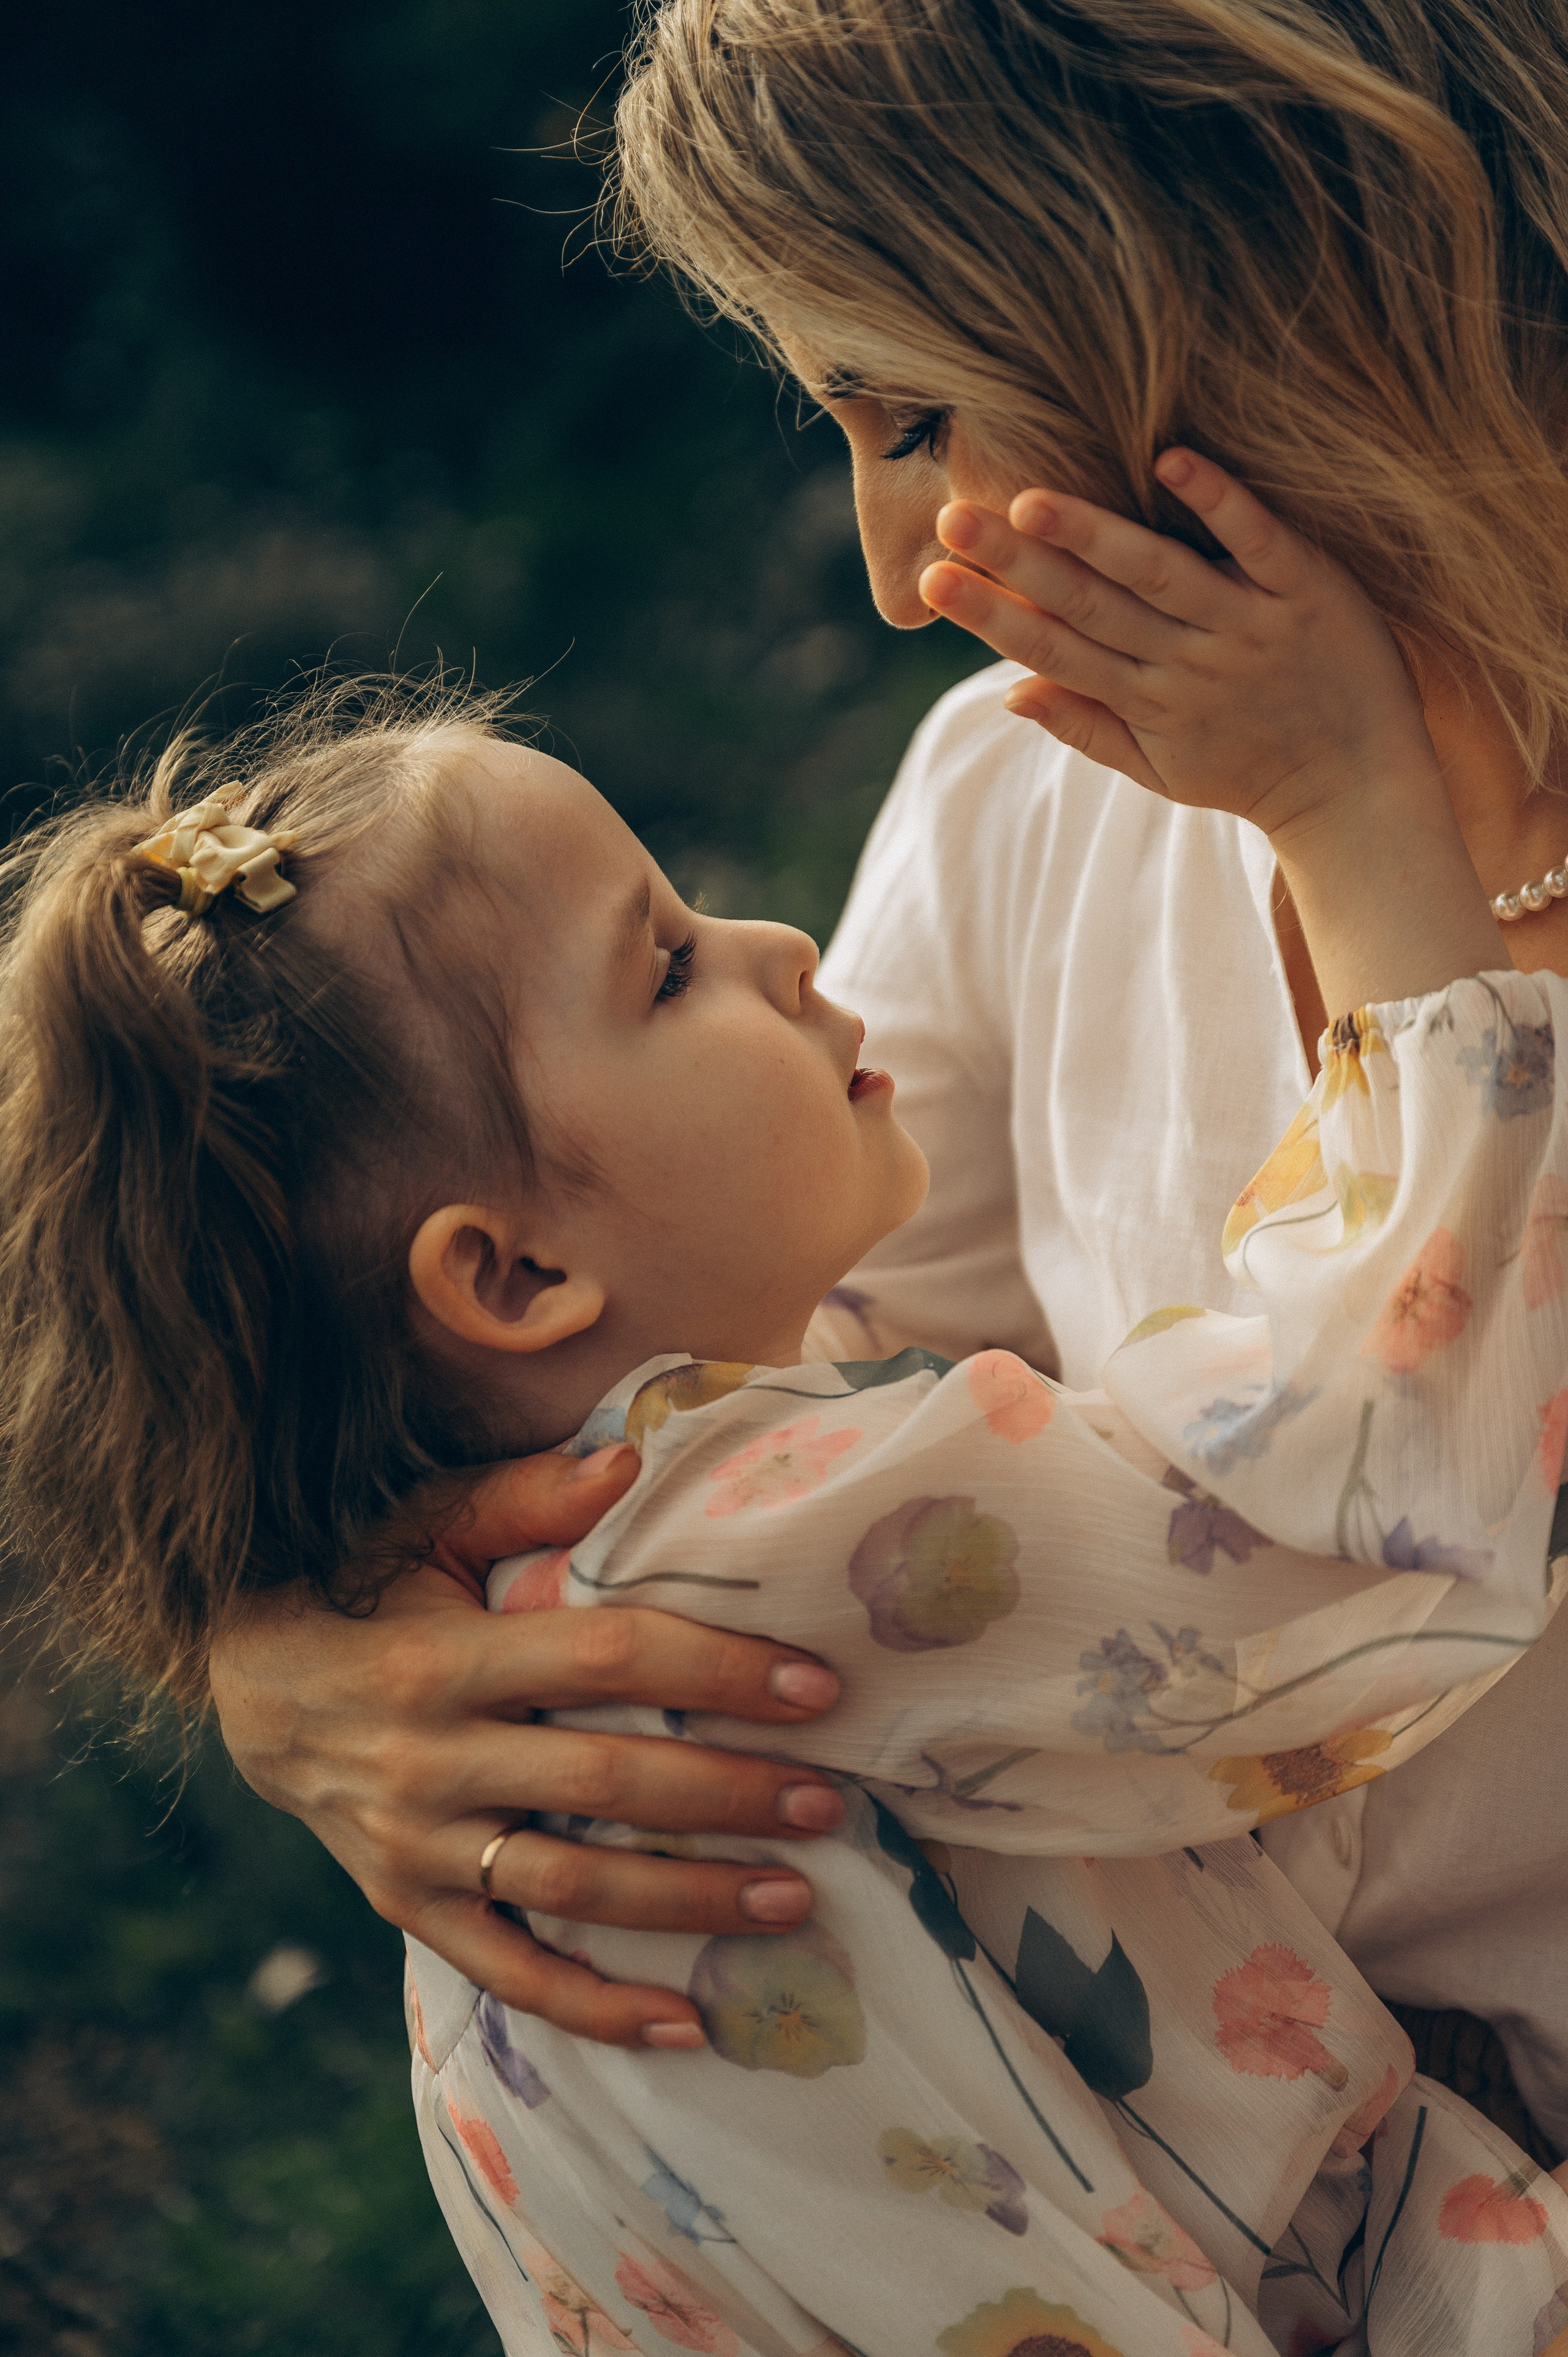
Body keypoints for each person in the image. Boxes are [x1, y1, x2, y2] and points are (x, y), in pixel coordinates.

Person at [206, 0, 1568, 2209]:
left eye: (912, 411)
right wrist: (316, 1639)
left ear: (1224, 280)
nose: (890, 566)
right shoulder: (1037, 793)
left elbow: (1385, 1502)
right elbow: (679, 1360)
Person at [4, 464, 1566, 2353]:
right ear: (507, 1284)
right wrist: (1374, 851)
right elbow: (1340, 1505)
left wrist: (297, 1580)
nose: (786, 951)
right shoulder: (767, 1530)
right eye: (669, 964)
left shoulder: (593, 1558)